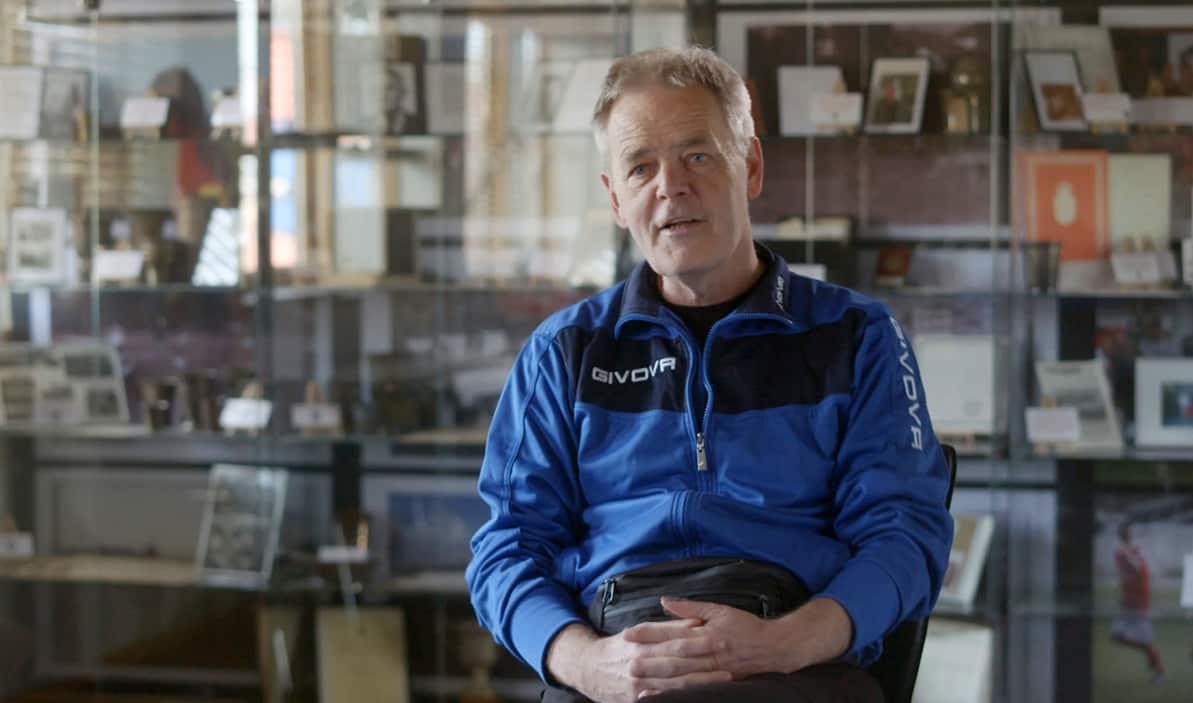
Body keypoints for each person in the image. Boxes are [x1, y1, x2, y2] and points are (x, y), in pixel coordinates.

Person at [466, 46, 953, 703]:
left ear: (749, 166)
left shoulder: (856, 338)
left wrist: (787, 640)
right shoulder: (563, 351)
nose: (670, 186)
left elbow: (904, 537)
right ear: (615, 199)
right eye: (640, 167)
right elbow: (505, 550)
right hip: (611, 665)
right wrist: (583, 663)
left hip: (795, 661)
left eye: (697, 155)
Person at [1110, 521, 1166, 682]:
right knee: (1117, 636)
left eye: (1126, 532)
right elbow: (1127, 577)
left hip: (1139, 604)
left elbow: (1139, 572)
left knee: (1143, 641)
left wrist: (1127, 555)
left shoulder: (1133, 552)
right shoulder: (1121, 553)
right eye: (1122, 532)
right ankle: (1149, 656)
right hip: (1129, 602)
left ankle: (1159, 671)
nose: (1125, 535)